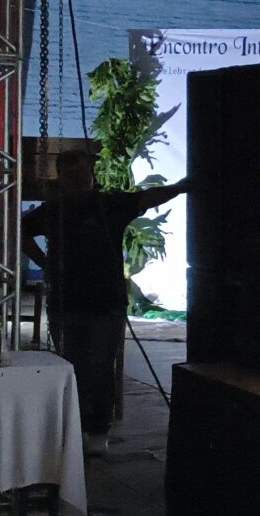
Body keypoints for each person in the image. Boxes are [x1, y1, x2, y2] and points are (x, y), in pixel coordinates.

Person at [23, 150, 187, 455]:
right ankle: (77, 427)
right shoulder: (54, 211)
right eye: (72, 176)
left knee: (99, 367)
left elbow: (146, 197)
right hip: (68, 302)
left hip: (105, 302)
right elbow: (21, 231)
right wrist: (45, 263)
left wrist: (179, 187)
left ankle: (98, 429)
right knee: (73, 367)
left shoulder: (108, 205)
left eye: (82, 175)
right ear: (62, 177)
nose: (78, 181)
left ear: (91, 176)